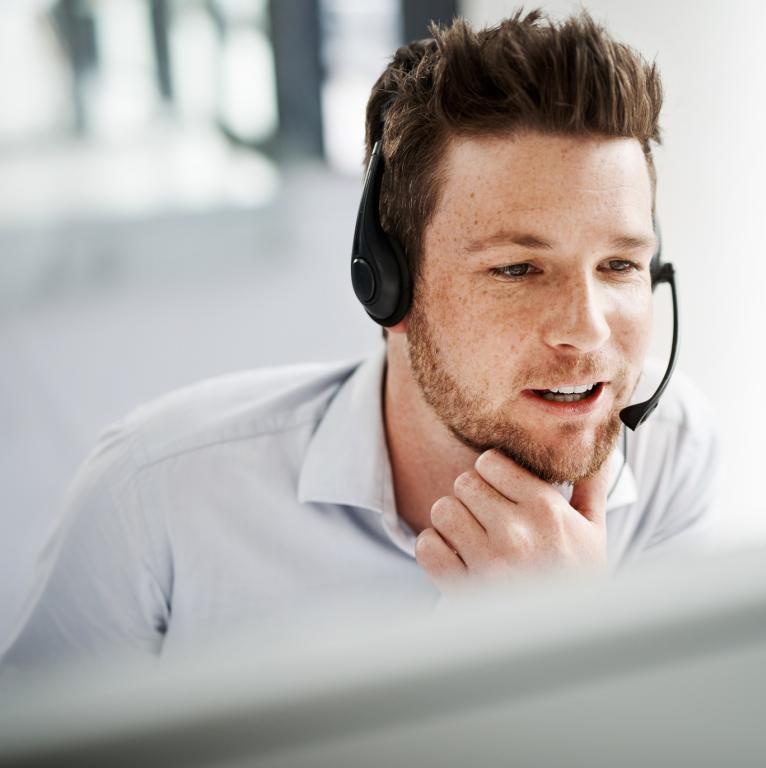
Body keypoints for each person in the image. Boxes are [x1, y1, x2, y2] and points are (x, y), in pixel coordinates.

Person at [2, 9, 717, 670]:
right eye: (518, 268)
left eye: (620, 264)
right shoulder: (155, 498)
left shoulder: (673, 452)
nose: (587, 329)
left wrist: (578, 640)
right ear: (386, 283)